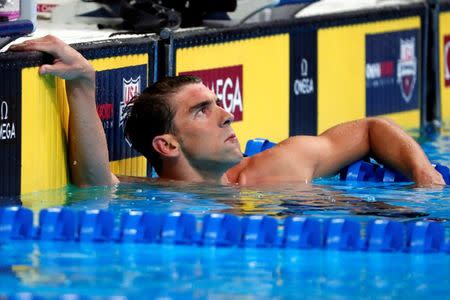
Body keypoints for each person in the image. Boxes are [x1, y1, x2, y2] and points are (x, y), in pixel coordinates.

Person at [9, 35, 445, 187]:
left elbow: (371, 129)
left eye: (219, 102)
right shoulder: (159, 196)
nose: (226, 115)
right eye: (202, 111)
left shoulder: (282, 164)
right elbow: (94, 179)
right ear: (167, 144)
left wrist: (425, 177)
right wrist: (83, 83)